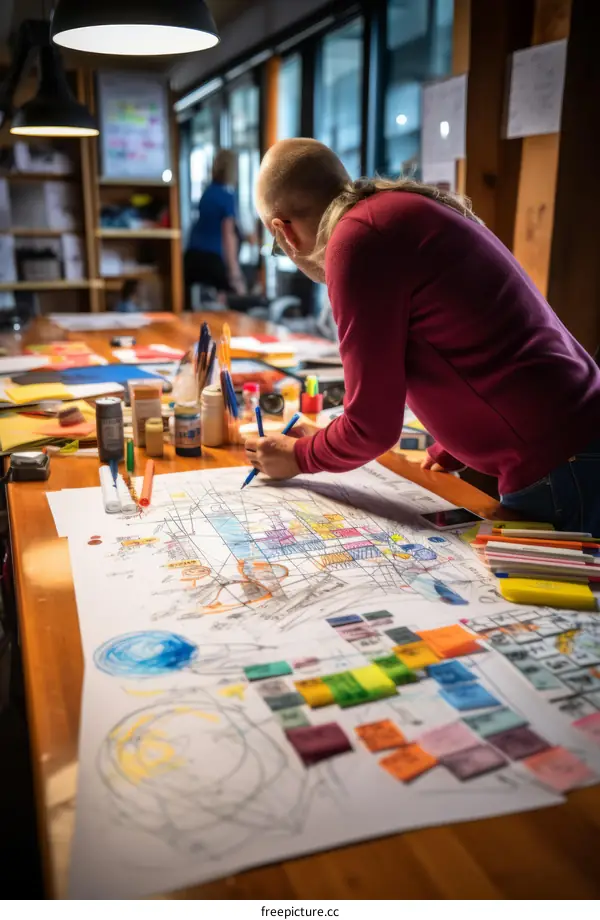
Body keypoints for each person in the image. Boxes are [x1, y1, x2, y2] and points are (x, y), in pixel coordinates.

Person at [245, 138, 600, 533]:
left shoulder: (355, 242)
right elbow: (482, 329)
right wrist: (455, 442)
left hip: (559, 458)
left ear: (284, 232)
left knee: (551, 595)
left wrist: (299, 456)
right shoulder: (398, 209)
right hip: (576, 434)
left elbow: (371, 427)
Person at [185, 149, 247, 303]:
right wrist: (234, 272)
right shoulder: (227, 196)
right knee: (236, 299)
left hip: (192, 256)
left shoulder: (207, 193)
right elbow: (228, 235)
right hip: (212, 258)